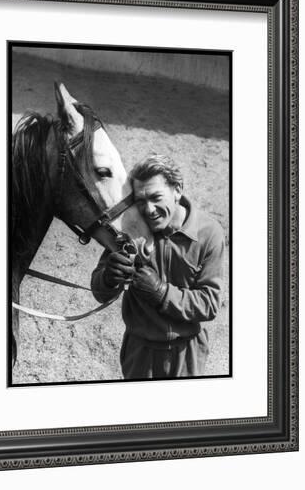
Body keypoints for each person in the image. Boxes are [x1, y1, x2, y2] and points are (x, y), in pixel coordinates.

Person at [91, 154, 225, 379]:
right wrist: (108, 277)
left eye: (156, 197)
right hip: (140, 353)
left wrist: (162, 293)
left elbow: (210, 304)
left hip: (187, 354)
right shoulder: (130, 228)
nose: (149, 210)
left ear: (178, 190)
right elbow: (99, 292)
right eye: (140, 201)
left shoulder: (208, 233)